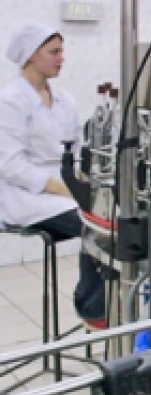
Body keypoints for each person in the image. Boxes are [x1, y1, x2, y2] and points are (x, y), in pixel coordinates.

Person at [0, 22, 107, 329]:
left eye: (62, 51)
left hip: (64, 187)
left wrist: (86, 181)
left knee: (112, 218)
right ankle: (92, 308)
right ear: (31, 55)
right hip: (25, 196)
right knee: (94, 225)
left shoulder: (64, 100)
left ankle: (110, 302)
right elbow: (10, 166)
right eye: (54, 52)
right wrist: (66, 189)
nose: (62, 58)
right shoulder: (10, 101)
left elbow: (77, 151)